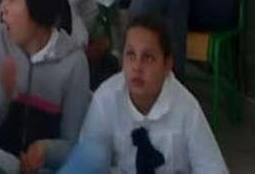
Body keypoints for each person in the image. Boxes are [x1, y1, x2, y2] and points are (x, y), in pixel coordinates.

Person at [69, 14, 226, 173]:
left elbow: (213, 168)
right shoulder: (106, 99)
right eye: (131, 55)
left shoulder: (186, 107)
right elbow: (87, 163)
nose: (137, 67)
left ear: (167, 64)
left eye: (148, 58)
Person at [0, 0, 90, 172]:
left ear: (37, 5)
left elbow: (74, 145)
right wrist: (3, 93)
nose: (3, 9)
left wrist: (46, 150)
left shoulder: (74, 63)